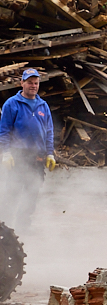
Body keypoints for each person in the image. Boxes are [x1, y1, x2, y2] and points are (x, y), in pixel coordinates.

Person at [0, 68, 57, 230]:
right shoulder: (12, 104)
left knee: (32, 194)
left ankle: (23, 227)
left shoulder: (43, 105)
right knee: (13, 192)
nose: (33, 86)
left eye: (36, 83)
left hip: (37, 157)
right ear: (22, 83)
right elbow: (4, 131)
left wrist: (50, 153)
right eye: (30, 82)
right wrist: (6, 153)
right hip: (18, 156)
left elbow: (49, 132)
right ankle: (4, 227)